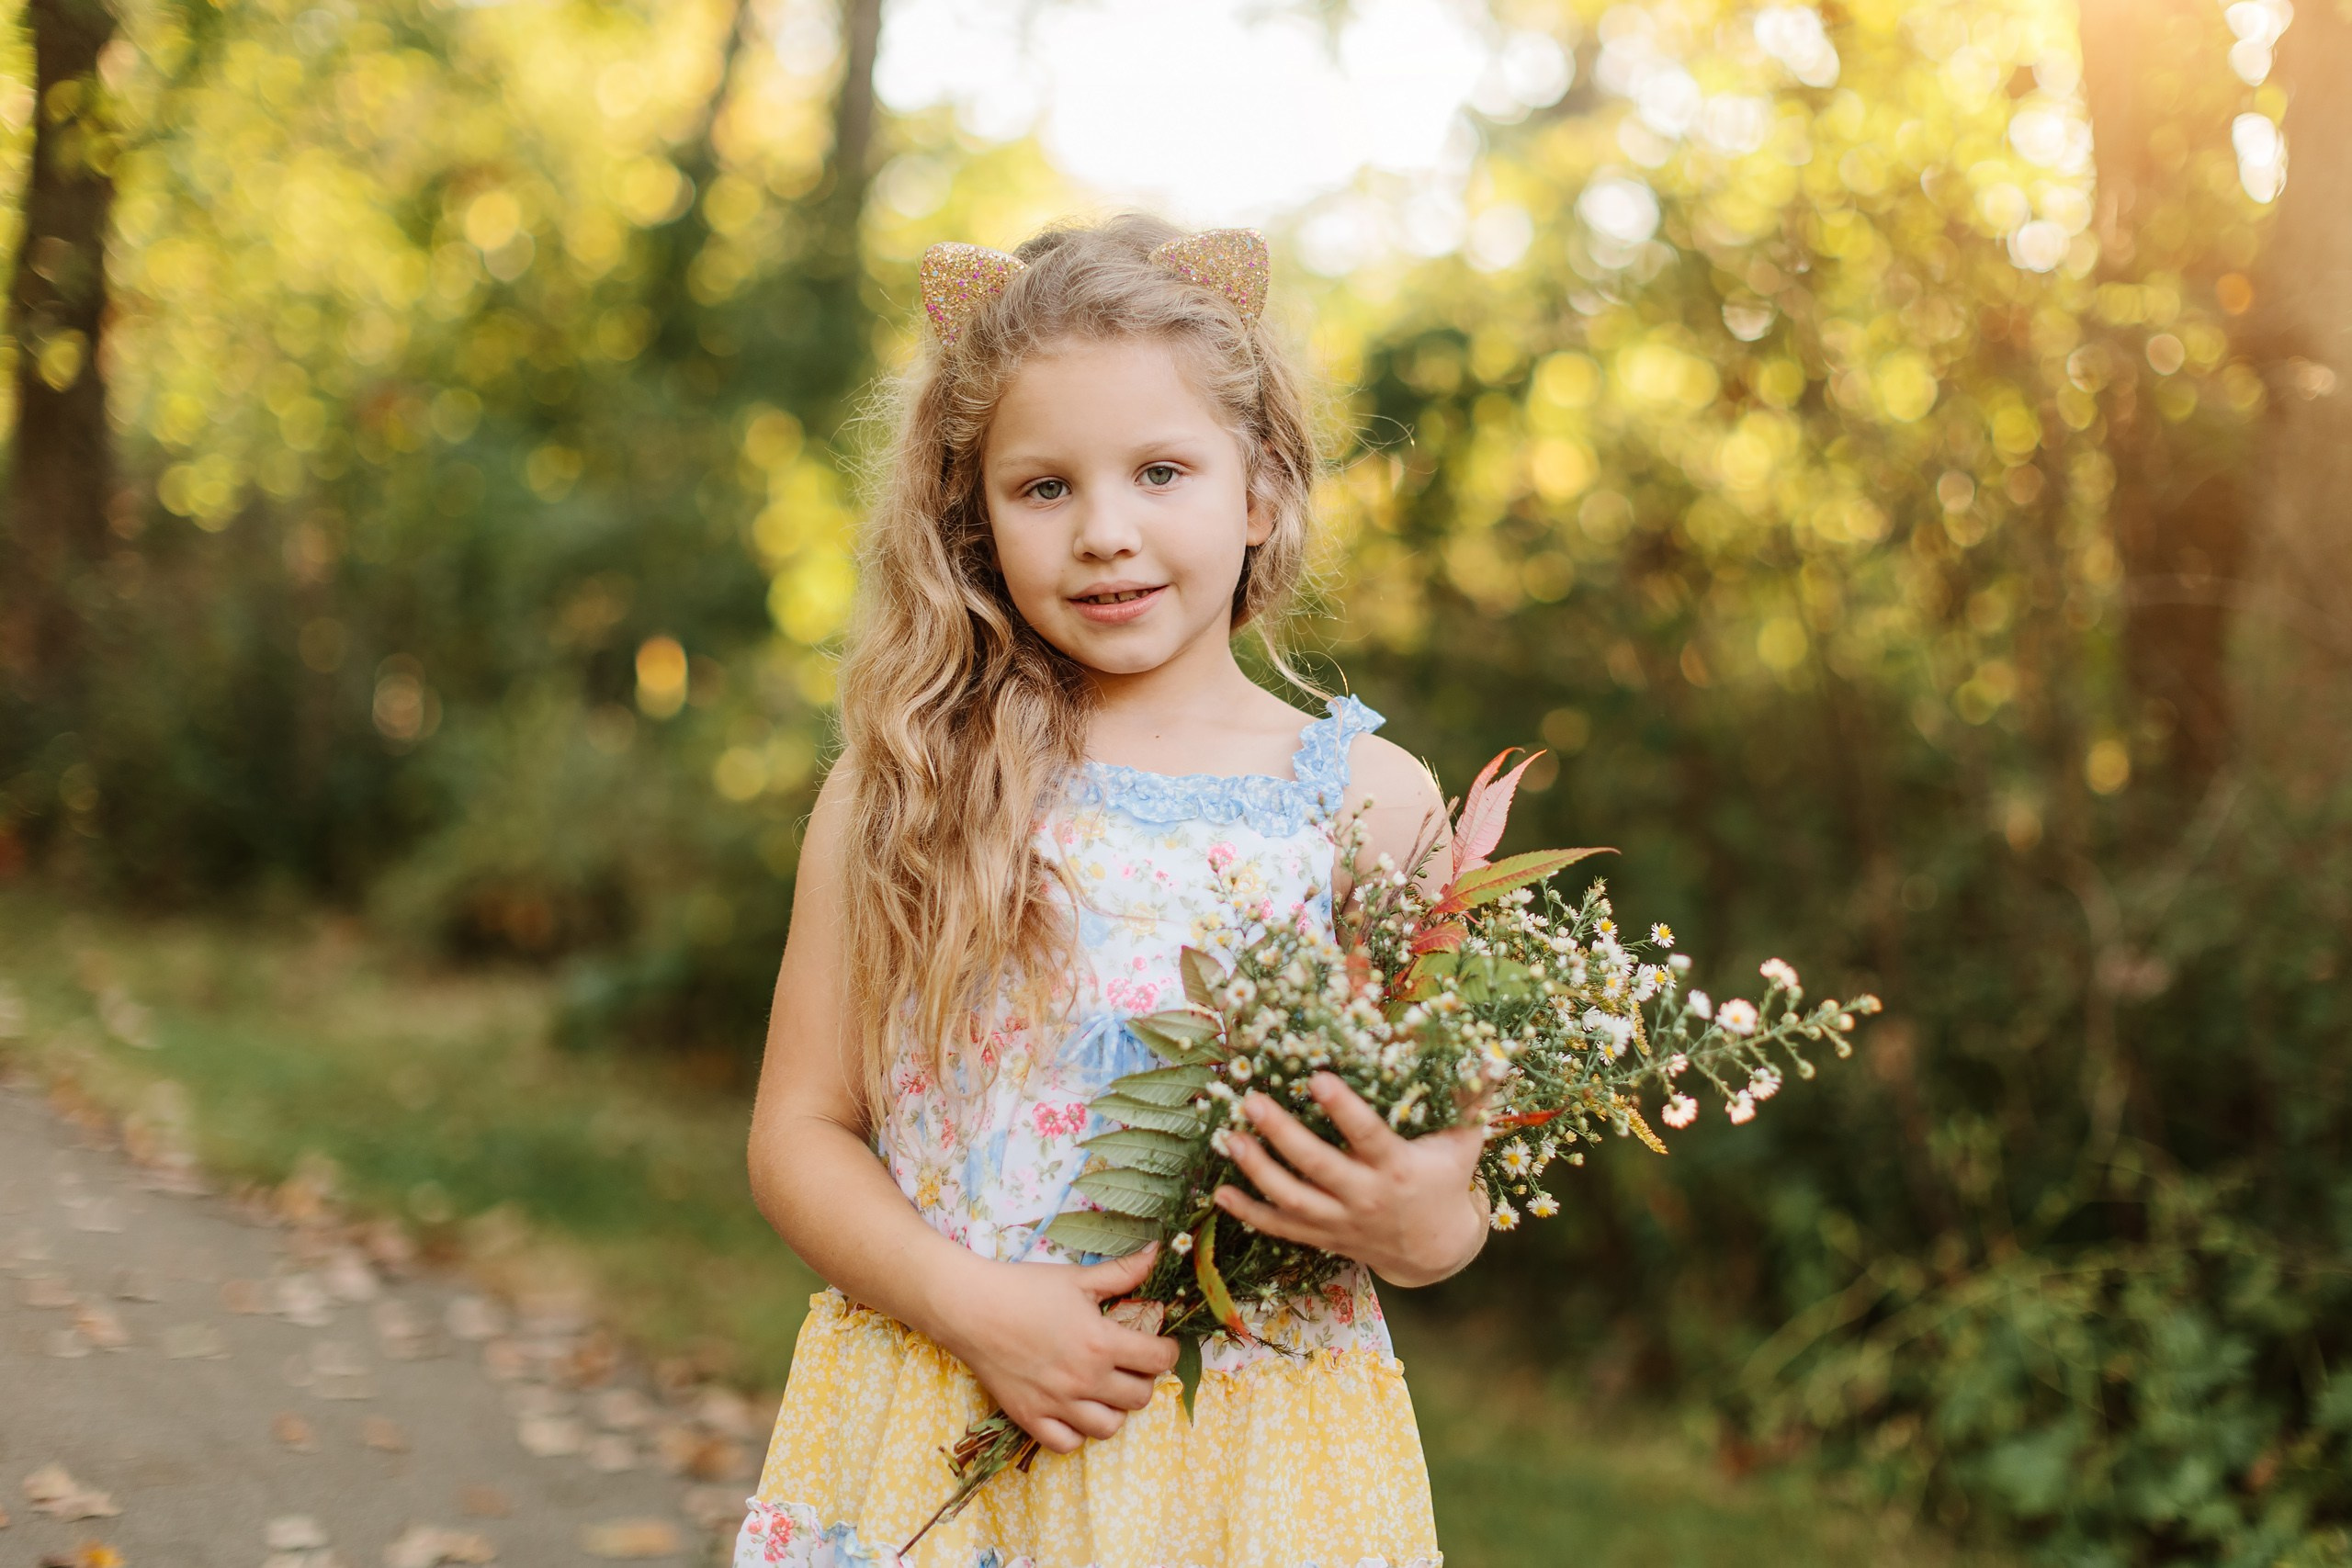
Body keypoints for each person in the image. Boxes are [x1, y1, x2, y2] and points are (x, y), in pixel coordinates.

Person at [736, 214, 1487, 1568]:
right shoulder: (904, 784)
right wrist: (971, 1304)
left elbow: (1437, 1190)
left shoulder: (1369, 804)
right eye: (1045, 488)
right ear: (972, 521)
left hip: (1253, 1469)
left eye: (1159, 471)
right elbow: (800, 1131)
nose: (1106, 533)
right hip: (942, 1415)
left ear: (1257, 491)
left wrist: (1424, 1217)